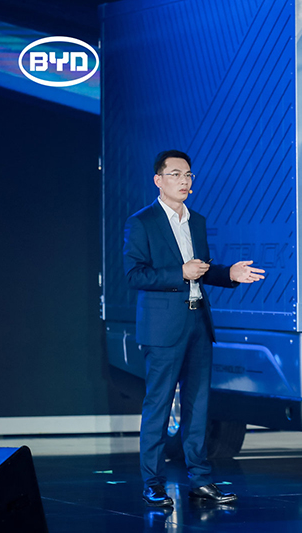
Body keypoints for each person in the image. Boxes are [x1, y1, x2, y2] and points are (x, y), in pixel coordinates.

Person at [123, 150, 265, 507]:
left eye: (188, 175)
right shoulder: (142, 222)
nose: (184, 181)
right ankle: (153, 483)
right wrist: (179, 273)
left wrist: (228, 274)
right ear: (158, 180)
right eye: (176, 174)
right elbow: (135, 274)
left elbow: (201, 269)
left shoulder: (196, 221)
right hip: (162, 328)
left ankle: (200, 481)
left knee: (198, 406)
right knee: (159, 406)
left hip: (198, 321)